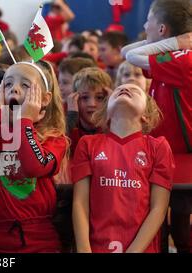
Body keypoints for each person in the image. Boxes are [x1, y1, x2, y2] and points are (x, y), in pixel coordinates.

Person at [0, 61, 69, 252]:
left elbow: (35, 166)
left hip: (39, 237)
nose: (14, 89)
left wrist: (24, 121)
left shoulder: (55, 138)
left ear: (44, 99)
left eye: (25, 85)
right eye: (7, 84)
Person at [122, 0, 192, 253]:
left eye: (148, 19)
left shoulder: (182, 59)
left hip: (182, 158)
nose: (143, 24)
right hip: (165, 154)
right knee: (161, 223)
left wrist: (176, 44)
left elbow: (130, 55)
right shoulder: (175, 53)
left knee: (178, 224)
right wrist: (176, 42)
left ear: (161, 28)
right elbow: (126, 51)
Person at [72, 83, 174, 253]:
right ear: (106, 115)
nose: (124, 89)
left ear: (146, 116)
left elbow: (159, 208)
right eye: (117, 91)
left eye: (135, 90)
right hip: (96, 247)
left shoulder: (159, 147)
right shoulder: (87, 144)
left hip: (141, 248)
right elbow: (80, 203)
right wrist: (84, 249)